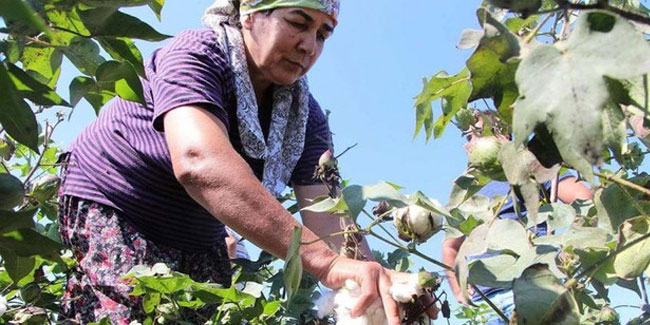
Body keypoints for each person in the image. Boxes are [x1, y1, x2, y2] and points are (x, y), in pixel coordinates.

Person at [57, 0, 429, 323]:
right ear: (249, 14)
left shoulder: (305, 118)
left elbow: (331, 218)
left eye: (323, 35)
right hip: (116, 204)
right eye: (298, 23)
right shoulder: (197, 53)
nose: (308, 46)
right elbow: (199, 162)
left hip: (198, 237)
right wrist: (328, 265)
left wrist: (382, 285)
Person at [441, 114, 593, 324]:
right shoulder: (466, 189)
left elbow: (584, 198)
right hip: (486, 302)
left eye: (479, 132)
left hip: (533, 289)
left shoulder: (531, 169)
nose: (472, 143)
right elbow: (450, 247)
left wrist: (572, 244)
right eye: (468, 138)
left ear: (503, 133)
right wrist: (458, 290)